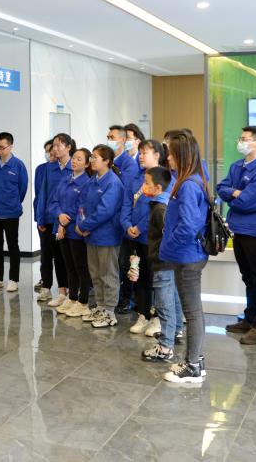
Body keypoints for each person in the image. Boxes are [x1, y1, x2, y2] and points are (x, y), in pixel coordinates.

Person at [218, 126, 256, 345]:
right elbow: (221, 188)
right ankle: (250, 318)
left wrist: (234, 195)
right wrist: (235, 192)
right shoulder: (237, 166)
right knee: (248, 277)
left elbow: (246, 202)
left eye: (244, 139)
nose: (240, 142)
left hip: (255, 231)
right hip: (239, 229)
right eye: (240, 138)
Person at [161, 132, 210, 383]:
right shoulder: (191, 180)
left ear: (181, 155)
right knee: (194, 310)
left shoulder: (189, 185)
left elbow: (188, 225)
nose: (168, 158)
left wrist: (169, 243)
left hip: (187, 255)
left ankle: (192, 367)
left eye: (170, 154)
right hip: (187, 253)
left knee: (191, 312)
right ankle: (195, 359)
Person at [75, 144, 125, 328]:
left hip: (107, 236)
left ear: (107, 161)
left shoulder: (113, 183)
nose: (92, 160)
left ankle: (110, 312)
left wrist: (84, 226)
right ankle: (101, 306)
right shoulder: (93, 180)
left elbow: (105, 211)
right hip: (91, 235)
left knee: (108, 274)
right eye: (92, 156)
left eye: (95, 157)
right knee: (95, 273)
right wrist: (81, 224)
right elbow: (81, 204)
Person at [141, 165, 183, 364]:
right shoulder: (163, 205)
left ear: (158, 187)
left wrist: (161, 256)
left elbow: (169, 236)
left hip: (163, 263)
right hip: (169, 263)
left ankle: (165, 347)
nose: (143, 186)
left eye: (146, 183)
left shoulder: (160, 209)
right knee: (173, 301)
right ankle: (175, 332)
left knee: (164, 306)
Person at [123, 139, 166, 335]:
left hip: (154, 239)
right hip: (135, 238)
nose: (140, 156)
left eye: (145, 153)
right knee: (140, 278)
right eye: (139, 153)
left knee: (156, 279)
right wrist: (127, 226)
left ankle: (158, 318)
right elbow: (125, 205)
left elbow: (158, 209)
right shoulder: (135, 179)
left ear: (157, 155)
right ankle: (143, 314)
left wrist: (140, 227)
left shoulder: (164, 177)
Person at [51, 148, 93, 318]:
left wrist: (64, 221)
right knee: (68, 265)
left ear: (87, 164)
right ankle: (72, 297)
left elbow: (81, 207)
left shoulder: (87, 182)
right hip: (62, 229)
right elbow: (54, 201)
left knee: (80, 267)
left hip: (76, 231)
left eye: (79, 159)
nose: (74, 161)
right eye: (74, 158)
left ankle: (83, 301)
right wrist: (59, 216)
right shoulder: (65, 178)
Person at [0, 132, 29, 292]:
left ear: (10, 147)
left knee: (12, 246)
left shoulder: (18, 165)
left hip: (11, 213)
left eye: (2, 147)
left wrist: (13, 203)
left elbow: (22, 188)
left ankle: (13, 279)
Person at [35, 134, 73, 304]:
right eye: (54, 146)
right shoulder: (49, 168)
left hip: (69, 220)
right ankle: (60, 291)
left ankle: (73, 293)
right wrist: (40, 218)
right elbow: (42, 194)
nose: (55, 149)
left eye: (58, 146)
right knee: (54, 256)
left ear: (68, 147)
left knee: (69, 259)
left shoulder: (75, 167)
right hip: (50, 219)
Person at [107, 125, 141, 315]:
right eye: (108, 136)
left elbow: (127, 194)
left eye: (112, 137)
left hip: (126, 221)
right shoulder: (110, 160)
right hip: (113, 221)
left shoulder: (129, 164)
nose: (109, 140)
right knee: (115, 263)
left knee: (126, 262)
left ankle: (128, 298)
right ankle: (117, 297)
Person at [33, 140, 55, 292]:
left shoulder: (64, 169)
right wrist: (38, 216)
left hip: (58, 219)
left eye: (51, 149)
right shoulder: (41, 169)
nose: (49, 153)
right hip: (43, 217)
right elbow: (39, 194)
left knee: (61, 256)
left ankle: (65, 287)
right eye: (46, 150)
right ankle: (45, 282)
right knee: (45, 253)